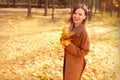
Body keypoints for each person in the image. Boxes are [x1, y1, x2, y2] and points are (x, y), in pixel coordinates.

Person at [60, 3, 90, 80]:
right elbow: (65, 41)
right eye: (75, 13)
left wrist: (68, 44)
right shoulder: (70, 27)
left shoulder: (84, 32)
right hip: (67, 61)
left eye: (80, 14)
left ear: (84, 17)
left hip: (76, 64)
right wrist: (63, 39)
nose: (76, 16)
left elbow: (85, 51)